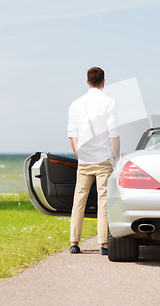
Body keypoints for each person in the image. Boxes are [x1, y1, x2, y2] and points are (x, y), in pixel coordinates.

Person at [68, 67, 120, 255]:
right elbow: (113, 133)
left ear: (87, 81)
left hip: (84, 160)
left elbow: (72, 135)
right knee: (103, 201)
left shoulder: (75, 104)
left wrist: (79, 154)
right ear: (103, 81)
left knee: (79, 200)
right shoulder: (109, 102)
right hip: (103, 159)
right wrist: (117, 158)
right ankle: (104, 244)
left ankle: (74, 242)